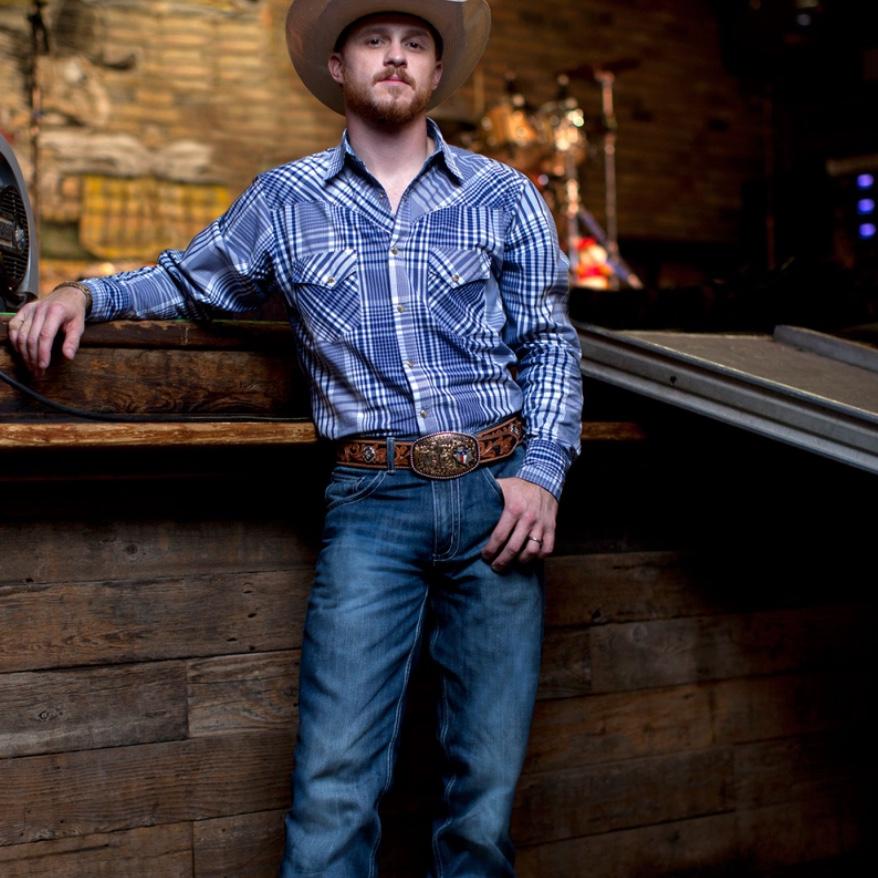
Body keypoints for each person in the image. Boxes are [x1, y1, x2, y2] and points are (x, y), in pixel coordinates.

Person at [8, 1, 583, 874]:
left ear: (437, 73)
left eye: (415, 44)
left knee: (483, 801)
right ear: (339, 68)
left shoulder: (505, 196)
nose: (396, 56)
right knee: (333, 787)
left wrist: (541, 472)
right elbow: (183, 280)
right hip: (372, 503)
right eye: (374, 41)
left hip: (498, 498)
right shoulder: (286, 200)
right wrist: (85, 293)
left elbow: (549, 343)